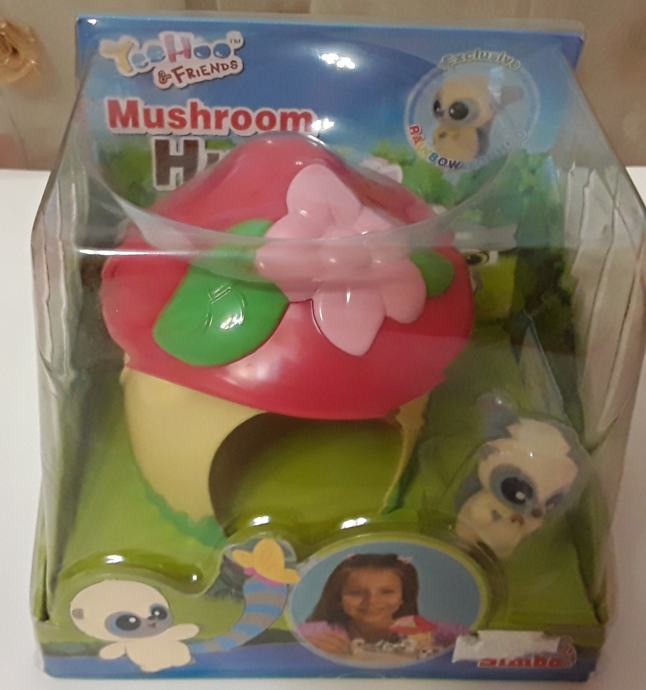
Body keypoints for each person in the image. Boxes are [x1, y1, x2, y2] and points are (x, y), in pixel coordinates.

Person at [298, 553, 467, 659]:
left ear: (403, 597)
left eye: (386, 592)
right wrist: (305, 647)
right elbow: (287, 638)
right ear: (338, 598)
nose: (372, 601)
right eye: (356, 592)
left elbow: (475, 635)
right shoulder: (321, 632)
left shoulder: (427, 631)